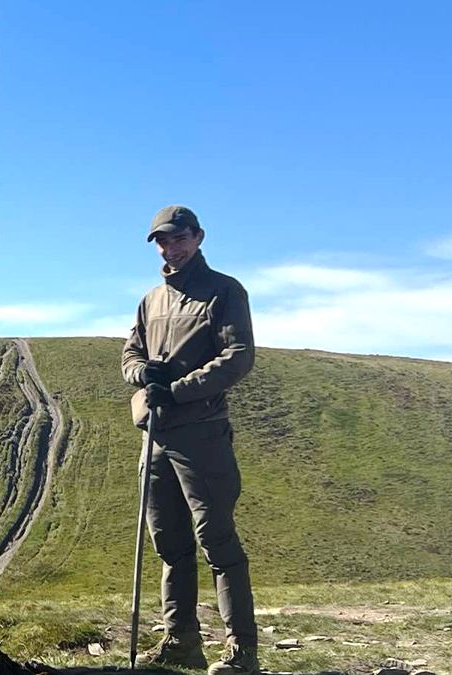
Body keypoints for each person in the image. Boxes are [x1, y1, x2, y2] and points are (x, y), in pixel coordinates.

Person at [121, 206, 259, 675]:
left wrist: (176, 390)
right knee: (169, 544)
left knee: (216, 540)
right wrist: (143, 374)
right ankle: (181, 643)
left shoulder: (223, 291)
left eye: (178, 238)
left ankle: (242, 653)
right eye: (161, 241)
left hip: (202, 433)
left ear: (198, 237)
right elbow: (130, 354)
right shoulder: (151, 300)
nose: (169, 248)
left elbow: (239, 357)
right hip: (156, 435)